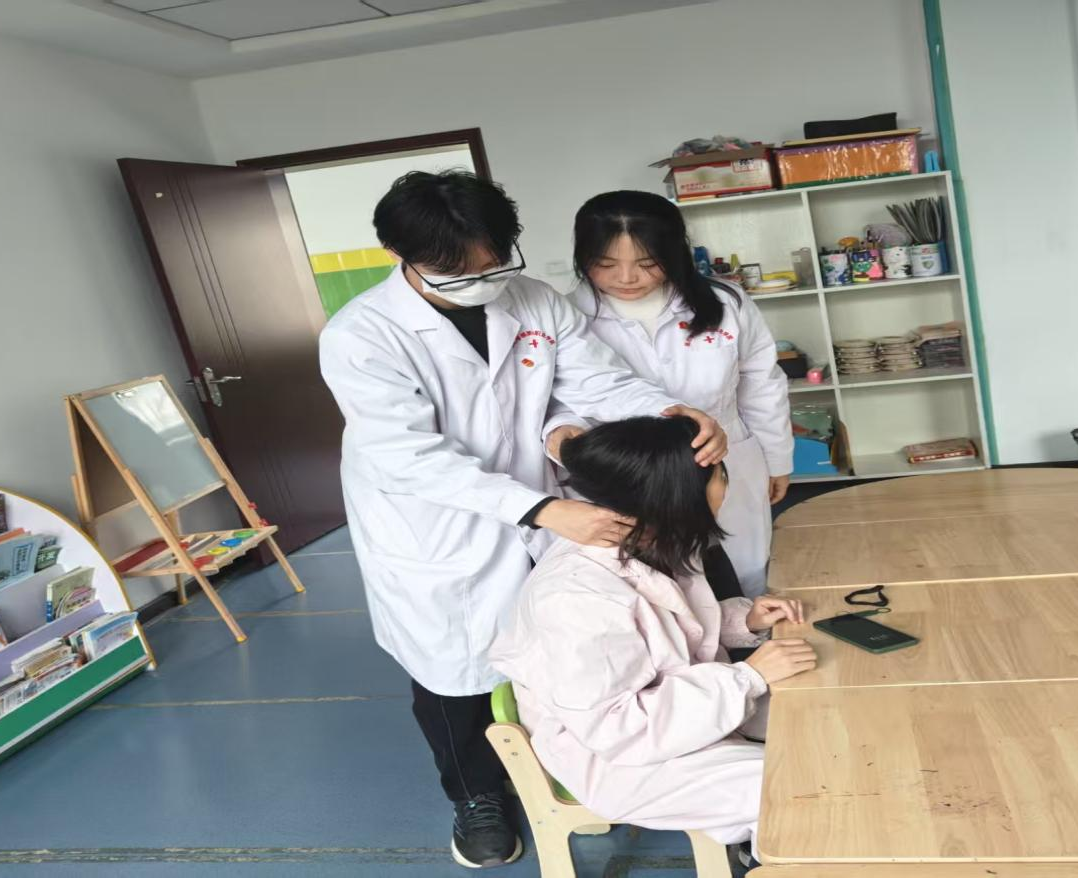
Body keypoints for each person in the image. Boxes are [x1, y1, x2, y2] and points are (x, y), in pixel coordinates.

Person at [318, 171, 728, 869]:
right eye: (459, 273)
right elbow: (406, 453)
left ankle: (572, 763)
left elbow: (593, 381)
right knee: (454, 671)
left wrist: (666, 413)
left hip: (542, 504)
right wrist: (540, 508)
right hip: (435, 524)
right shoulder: (362, 335)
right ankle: (474, 794)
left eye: (495, 263)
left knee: (565, 646)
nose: (483, 283)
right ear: (398, 253)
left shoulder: (534, 299)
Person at [489, 416, 816, 859]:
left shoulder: (651, 538)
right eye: (719, 476)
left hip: (677, 714)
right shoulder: (576, 597)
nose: (726, 486)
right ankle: (774, 855)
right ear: (679, 494)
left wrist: (747, 621)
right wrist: (747, 678)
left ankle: (765, 844)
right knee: (802, 783)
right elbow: (619, 727)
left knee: (823, 723)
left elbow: (666, 629)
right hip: (623, 760)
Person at [543, 190, 794, 598]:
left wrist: (777, 458)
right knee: (654, 595)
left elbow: (762, 384)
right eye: (605, 264)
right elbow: (560, 399)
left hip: (725, 465)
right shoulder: (563, 317)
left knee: (744, 576)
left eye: (647, 263)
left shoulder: (725, 303)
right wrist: (562, 436)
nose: (626, 278)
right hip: (634, 481)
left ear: (673, 252)